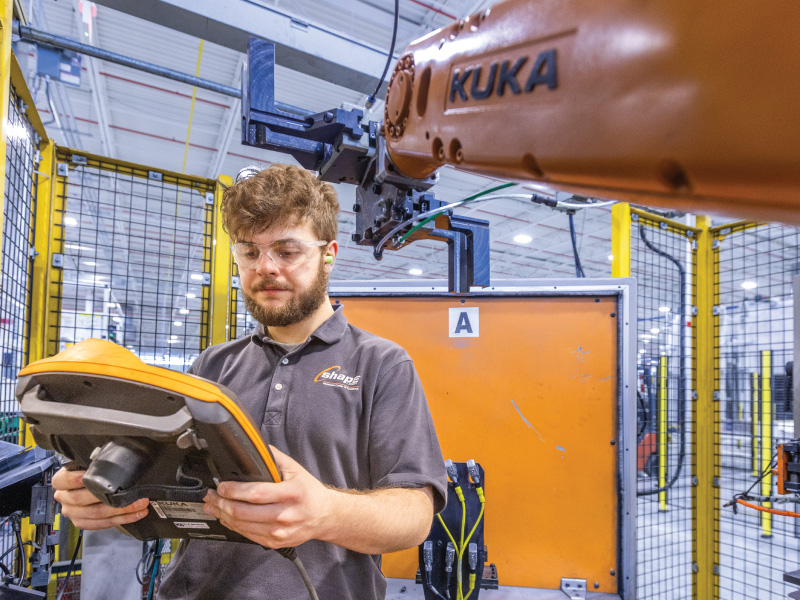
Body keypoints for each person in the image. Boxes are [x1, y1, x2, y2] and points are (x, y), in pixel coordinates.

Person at [51, 164, 447, 599]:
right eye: (250, 252)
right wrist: (108, 500)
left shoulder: (381, 364)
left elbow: (415, 514)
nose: (266, 268)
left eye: (287, 251)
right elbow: (171, 494)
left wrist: (325, 512)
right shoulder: (212, 366)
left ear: (329, 254)